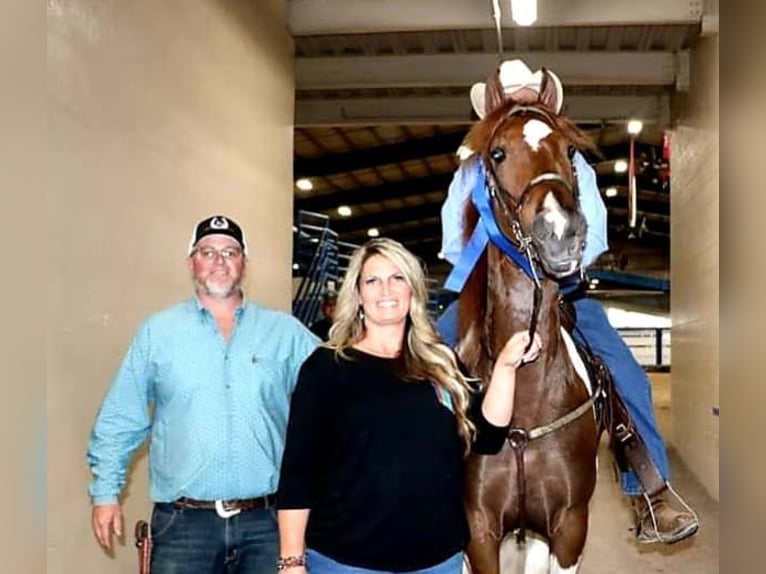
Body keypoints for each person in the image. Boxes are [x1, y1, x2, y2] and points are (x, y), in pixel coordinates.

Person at [438, 59, 699, 545]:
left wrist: (560, 258)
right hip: (486, 292)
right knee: (420, 366)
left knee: (628, 374)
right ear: (496, 105)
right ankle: (417, 489)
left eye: (529, 93)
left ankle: (651, 492)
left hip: (564, 292)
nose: (522, 100)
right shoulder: (474, 164)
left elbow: (593, 227)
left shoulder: (568, 159)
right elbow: (454, 239)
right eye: (512, 94)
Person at [276, 238, 542, 574]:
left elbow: (488, 436)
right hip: (346, 561)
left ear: (412, 290)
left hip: (436, 560)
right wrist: (291, 560)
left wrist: (505, 367)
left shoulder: (442, 363)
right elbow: (298, 474)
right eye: (372, 280)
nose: (386, 289)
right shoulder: (326, 368)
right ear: (357, 294)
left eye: (397, 277)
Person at [87, 214, 319, 573]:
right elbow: (122, 416)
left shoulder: (285, 333)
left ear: (244, 264)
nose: (219, 262)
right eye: (207, 252)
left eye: (230, 252)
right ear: (191, 262)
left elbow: (340, 385)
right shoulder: (158, 333)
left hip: (266, 526)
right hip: (183, 527)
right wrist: (105, 493)